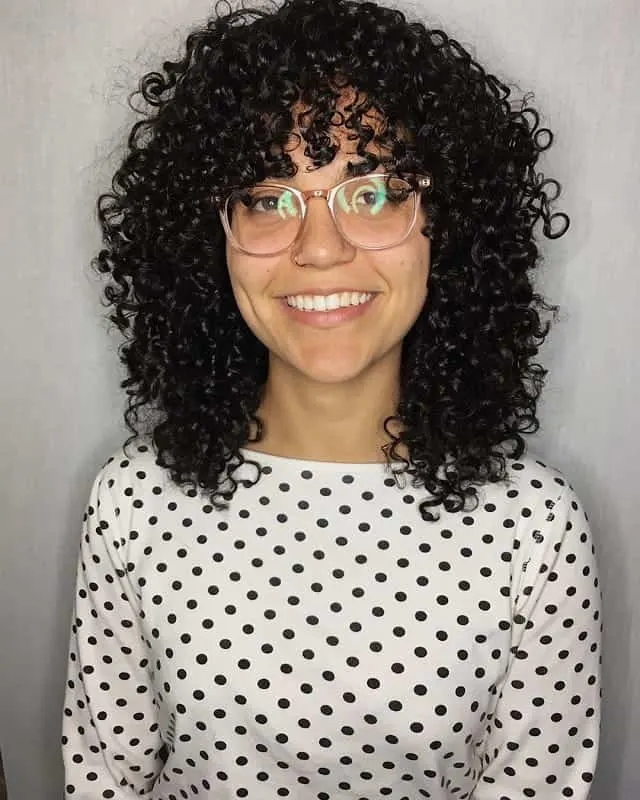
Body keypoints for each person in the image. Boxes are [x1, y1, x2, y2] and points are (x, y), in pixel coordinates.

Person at [61, 0, 601, 797]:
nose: (319, 249)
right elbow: (105, 776)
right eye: (269, 198)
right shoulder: (133, 500)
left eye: (375, 192)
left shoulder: (535, 530)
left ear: (444, 225)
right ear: (212, 236)